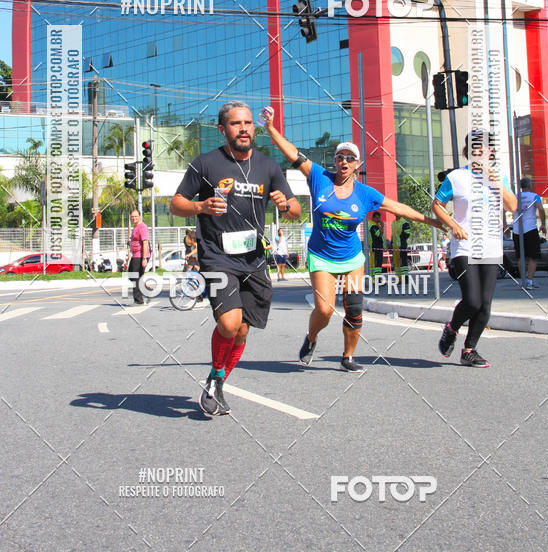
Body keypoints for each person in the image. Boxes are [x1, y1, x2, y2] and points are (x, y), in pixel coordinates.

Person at [262, 110, 444, 372]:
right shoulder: (319, 177)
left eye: (350, 158)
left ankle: (347, 357)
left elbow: (399, 208)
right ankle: (311, 338)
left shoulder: (365, 193)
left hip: (351, 257)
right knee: (324, 310)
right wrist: (270, 128)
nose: (344, 162)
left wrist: (432, 222)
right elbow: (294, 153)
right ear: (334, 161)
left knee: (354, 308)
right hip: (322, 255)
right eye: (340, 157)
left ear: (357, 164)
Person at [170, 102, 301, 416]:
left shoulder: (269, 167)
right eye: (235, 124)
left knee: (243, 330)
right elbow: (176, 204)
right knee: (229, 323)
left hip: (254, 259)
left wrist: (284, 205)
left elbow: (297, 211)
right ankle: (216, 378)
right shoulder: (206, 164)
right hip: (217, 256)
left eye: (247, 123)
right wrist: (200, 207)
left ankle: (217, 381)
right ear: (222, 129)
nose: (243, 129)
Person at [433, 131, 517, 368]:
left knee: (485, 304)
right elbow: (436, 206)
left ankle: (469, 350)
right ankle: (451, 328)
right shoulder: (456, 177)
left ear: (491, 151)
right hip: (464, 246)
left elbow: (512, 205)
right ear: (468, 150)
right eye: (475, 147)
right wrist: (453, 225)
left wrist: (494, 180)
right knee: (472, 300)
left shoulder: (499, 175)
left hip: (490, 246)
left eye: (485, 147)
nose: (480, 150)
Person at [512, 177, 546, 289]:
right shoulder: (534, 196)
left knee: (521, 257)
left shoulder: (515, 197)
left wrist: (506, 226)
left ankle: (523, 281)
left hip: (517, 230)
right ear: (530, 185)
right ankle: (530, 282)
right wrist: (543, 224)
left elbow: (504, 208)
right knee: (533, 257)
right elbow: (540, 209)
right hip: (530, 229)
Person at [128, 208, 150, 304]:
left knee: (136, 277)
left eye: (136, 216)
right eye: (132, 217)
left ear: (140, 216)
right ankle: (147, 291)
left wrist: (144, 259)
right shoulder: (135, 227)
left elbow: (145, 243)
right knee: (131, 275)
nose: (134, 218)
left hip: (141, 256)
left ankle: (138, 300)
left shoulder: (142, 227)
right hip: (135, 255)